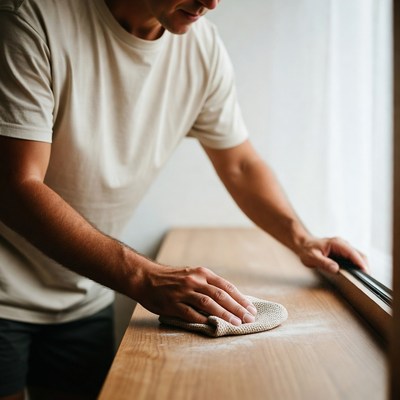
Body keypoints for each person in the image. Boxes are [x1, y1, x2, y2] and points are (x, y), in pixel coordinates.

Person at [0, 0, 368, 399]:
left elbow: (240, 164)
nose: (211, 3)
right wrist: (143, 276)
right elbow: (17, 186)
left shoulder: (201, 47)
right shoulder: (30, 20)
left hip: (86, 291)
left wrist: (302, 239)